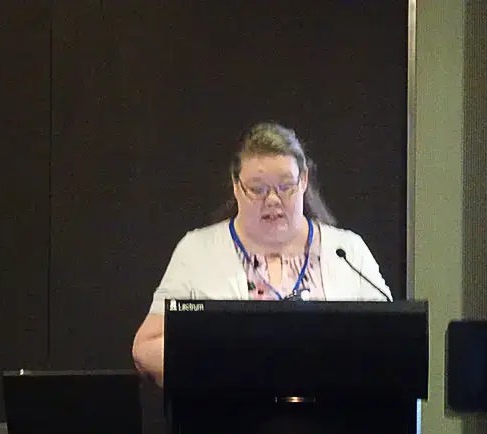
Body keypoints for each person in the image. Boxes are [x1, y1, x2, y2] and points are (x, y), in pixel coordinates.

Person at [132, 122, 392, 386]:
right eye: (258, 189)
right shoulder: (197, 251)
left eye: (285, 187)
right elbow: (146, 348)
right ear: (236, 186)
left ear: (303, 181)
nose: (273, 200)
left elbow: (391, 342)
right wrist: (222, 362)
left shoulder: (347, 251)